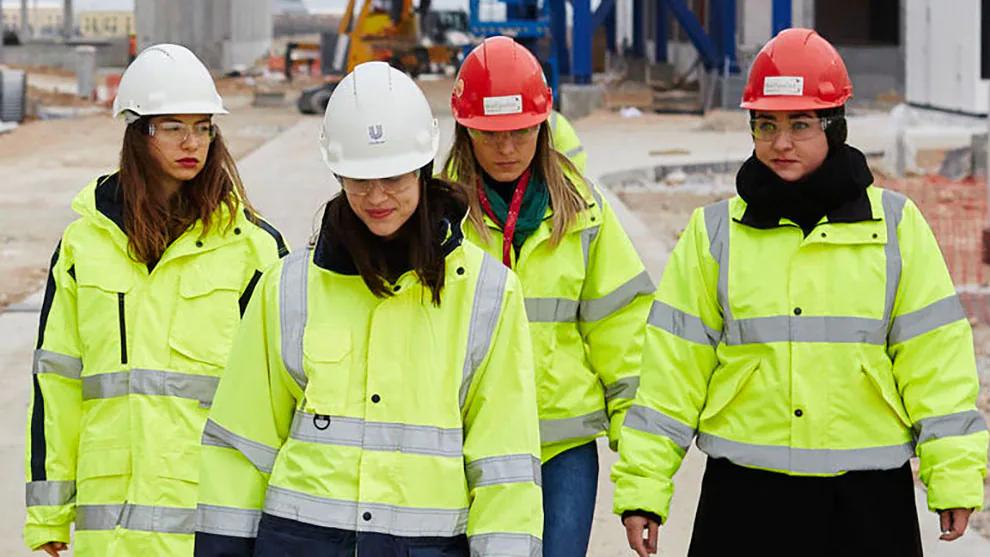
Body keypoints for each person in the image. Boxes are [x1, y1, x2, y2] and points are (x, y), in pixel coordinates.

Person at [612, 28, 989, 557]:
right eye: (766, 125)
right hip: (745, 496)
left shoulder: (897, 227)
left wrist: (953, 474)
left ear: (835, 127)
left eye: (800, 124)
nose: (781, 142)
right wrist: (644, 489)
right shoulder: (714, 234)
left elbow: (936, 363)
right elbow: (670, 376)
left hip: (868, 498)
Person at [193, 61, 543, 557]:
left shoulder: (487, 292)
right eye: (359, 179)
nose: (376, 197)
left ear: (423, 167)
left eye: (393, 178)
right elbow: (241, 446)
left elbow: (504, 464)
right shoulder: (287, 287)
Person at [23, 44, 287, 557]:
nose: (192, 142)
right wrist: (49, 513)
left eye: (203, 127)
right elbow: (56, 384)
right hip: (112, 530)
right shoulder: (83, 246)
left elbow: (281, 395)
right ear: (138, 132)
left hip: (213, 526)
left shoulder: (253, 248)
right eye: (172, 127)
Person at [443, 36, 654, 557]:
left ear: (544, 124)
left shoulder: (584, 214)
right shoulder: (436, 217)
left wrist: (642, 477)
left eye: (521, 131)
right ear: (465, 130)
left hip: (562, 449)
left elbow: (625, 339)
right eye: (491, 134)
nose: (507, 149)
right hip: (462, 445)